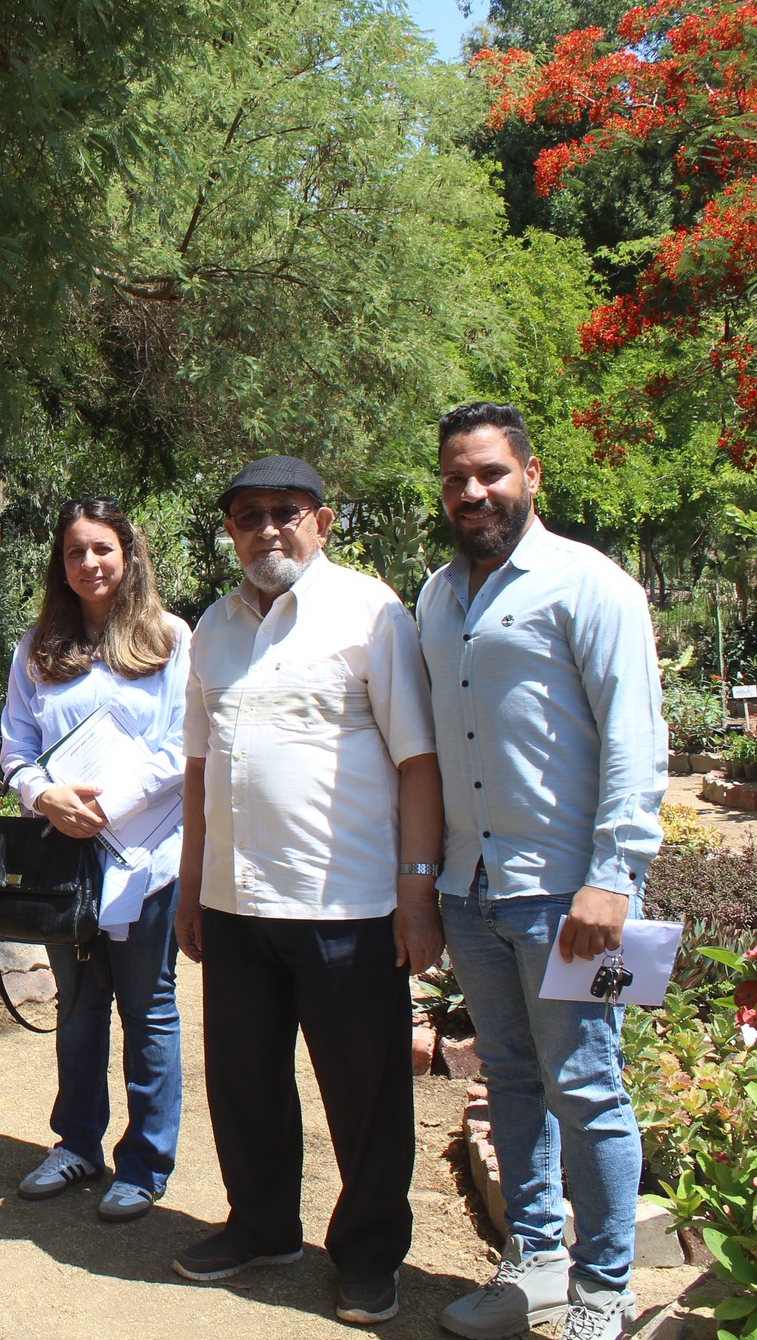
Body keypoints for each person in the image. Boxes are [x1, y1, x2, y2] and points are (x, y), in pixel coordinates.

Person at [172, 455, 444, 1326]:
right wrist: (190, 885)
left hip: (348, 906)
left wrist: (416, 891)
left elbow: (419, 760)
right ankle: (261, 1226)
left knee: (365, 1094)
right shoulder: (212, 628)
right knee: (244, 1079)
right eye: (247, 514)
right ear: (230, 531)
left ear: (321, 523)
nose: (266, 529)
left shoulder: (371, 612)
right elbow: (198, 768)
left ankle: (368, 1253)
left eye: (284, 511)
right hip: (235, 903)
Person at [421, 403, 665, 1340]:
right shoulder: (437, 597)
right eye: (456, 476)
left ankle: (607, 1290)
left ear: (530, 474)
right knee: (511, 1080)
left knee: (590, 1087)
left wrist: (614, 878)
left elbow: (636, 740)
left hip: (576, 894)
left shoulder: (591, 585)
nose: (473, 491)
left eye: (490, 471)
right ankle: (536, 1263)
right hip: (473, 890)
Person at [0, 497, 191, 1222]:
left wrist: (111, 805)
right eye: (75, 551)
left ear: (128, 554)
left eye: (102, 548)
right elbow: (15, 749)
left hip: (146, 858)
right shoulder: (37, 648)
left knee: (149, 1009)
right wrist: (43, 795)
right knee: (79, 1008)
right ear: (61, 563)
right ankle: (77, 1142)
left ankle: (144, 1163)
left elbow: (182, 746)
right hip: (68, 865)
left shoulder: (171, 638)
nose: (89, 563)